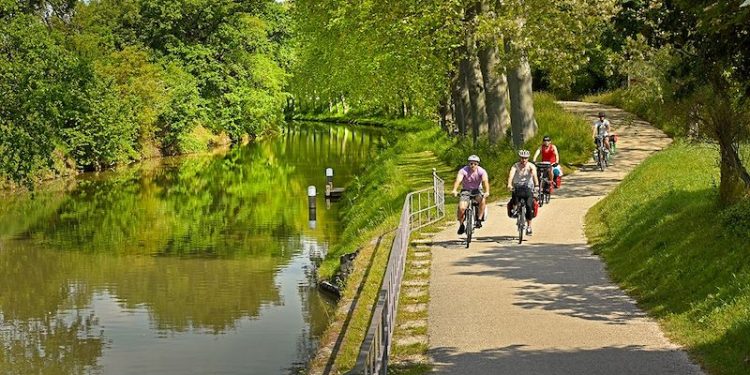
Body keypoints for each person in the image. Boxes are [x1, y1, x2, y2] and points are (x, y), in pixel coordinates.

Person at [451, 155, 490, 235]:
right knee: (461, 208)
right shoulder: (463, 170)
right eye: (471, 163)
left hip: (477, 190)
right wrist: (454, 190)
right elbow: (458, 180)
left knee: (482, 200)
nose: (473, 165)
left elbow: (485, 181)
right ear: (468, 164)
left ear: (478, 164)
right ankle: (461, 224)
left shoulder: (481, 171)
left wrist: (487, 191)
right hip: (466, 191)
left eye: (475, 164)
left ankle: (479, 220)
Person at [507, 150, 539, 235]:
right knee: (515, 197)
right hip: (517, 186)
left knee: (529, 206)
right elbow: (511, 175)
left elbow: (535, 176)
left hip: (528, 187)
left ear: (528, 158)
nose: (523, 160)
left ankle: (529, 227)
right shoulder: (515, 166)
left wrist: (536, 185)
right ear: (519, 158)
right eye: (522, 158)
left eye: (525, 158)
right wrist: (509, 184)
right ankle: (515, 209)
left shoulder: (531, 166)